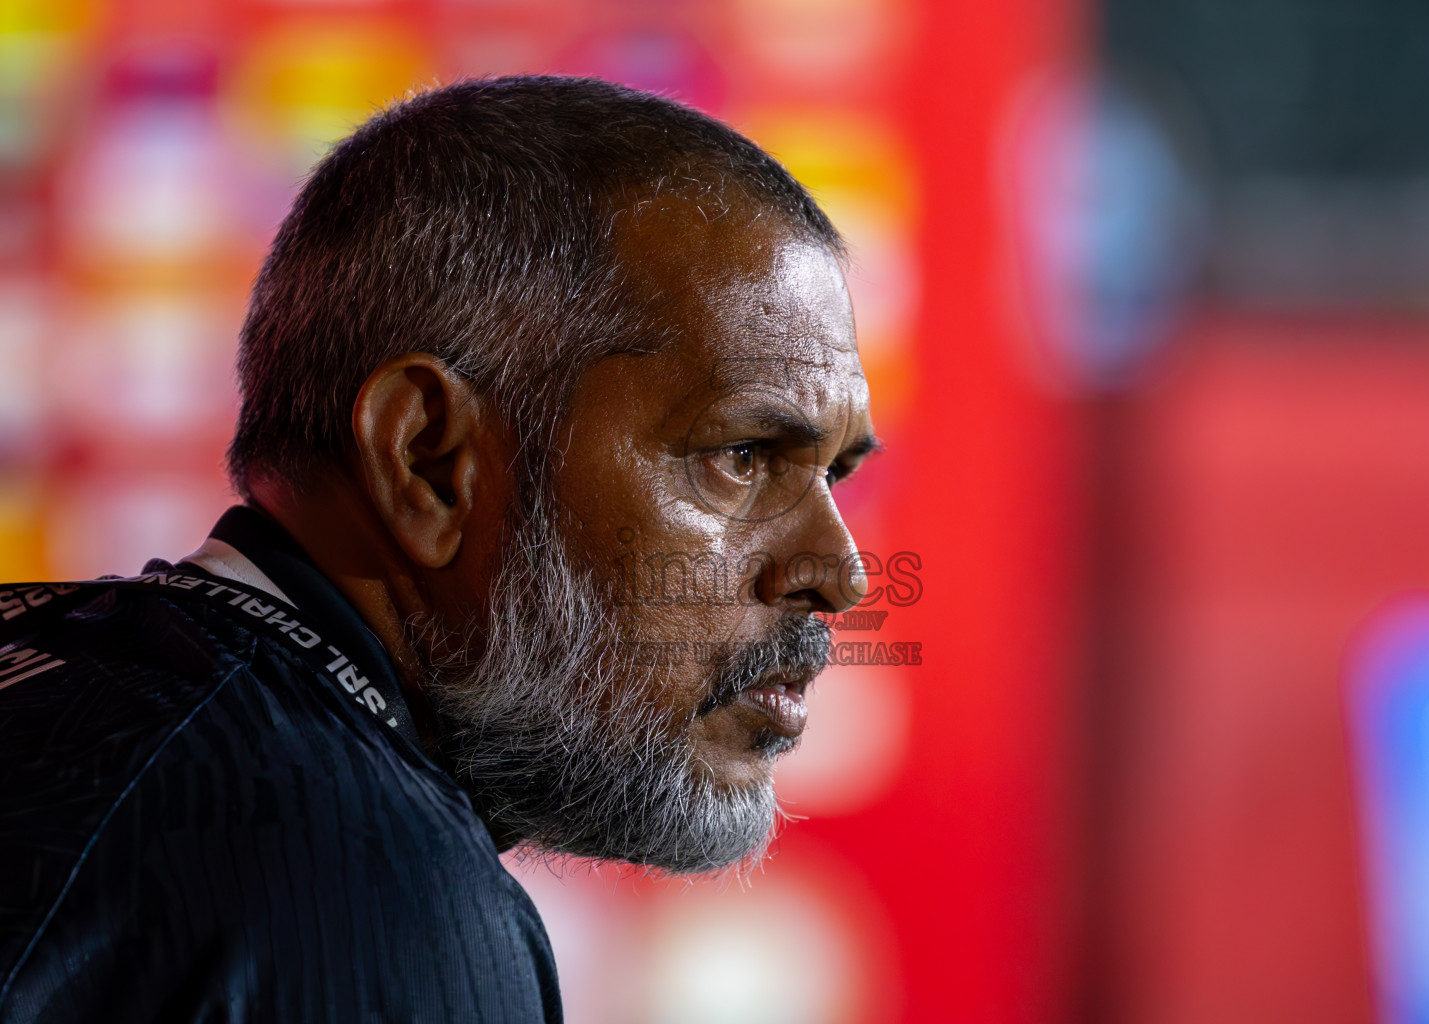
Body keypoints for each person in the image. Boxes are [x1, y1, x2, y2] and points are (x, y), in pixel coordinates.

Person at [0, 76, 878, 1023]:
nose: (840, 575)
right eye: (741, 458)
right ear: (428, 460)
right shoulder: (362, 889)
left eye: (836, 473)